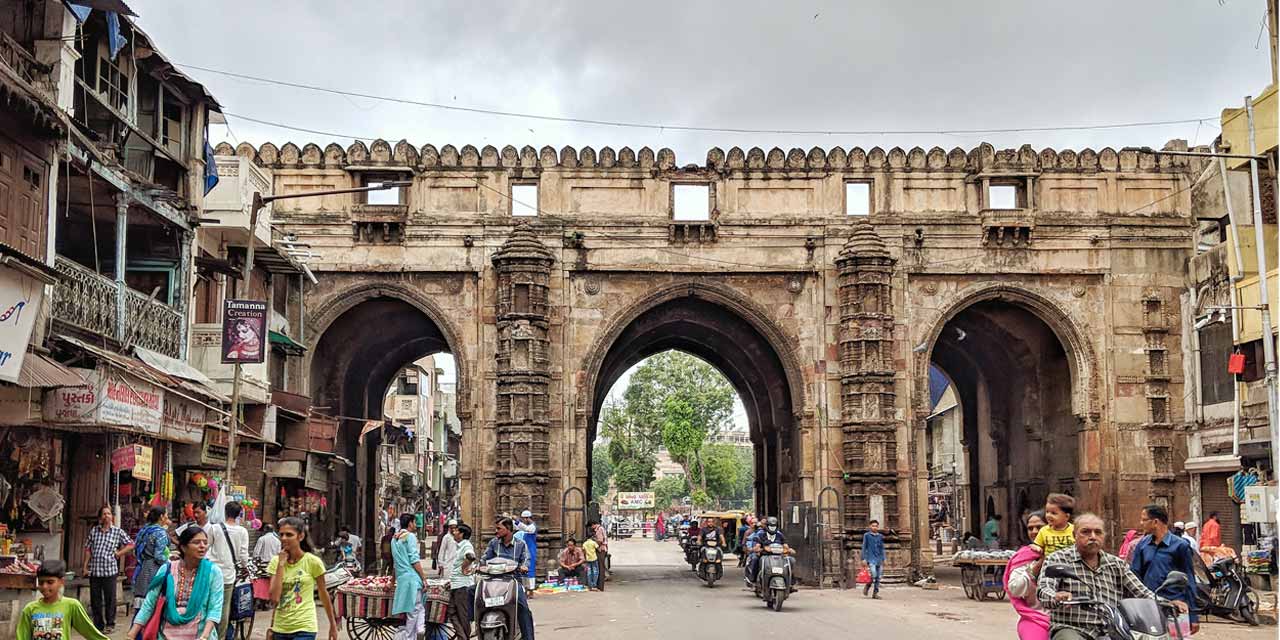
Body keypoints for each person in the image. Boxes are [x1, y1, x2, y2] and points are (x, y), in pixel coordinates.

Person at [1037, 513, 1184, 640]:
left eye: (1098, 532)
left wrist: (1167, 604)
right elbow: (1044, 589)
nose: (1092, 537)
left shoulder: (1115, 564)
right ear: (1074, 535)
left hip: (1113, 629)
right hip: (1072, 627)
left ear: (1104, 536)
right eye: (1086, 532)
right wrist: (1056, 596)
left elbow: (1141, 591)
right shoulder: (1058, 559)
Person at [124, 525, 224, 640]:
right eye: (196, 542)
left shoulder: (213, 572)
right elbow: (149, 604)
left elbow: (215, 609)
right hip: (166, 635)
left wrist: (205, 636)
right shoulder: (167, 569)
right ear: (183, 547)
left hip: (199, 635)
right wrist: (132, 633)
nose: (202, 546)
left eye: (205, 542)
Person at [1130, 504, 1199, 634]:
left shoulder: (1181, 546)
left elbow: (1189, 580)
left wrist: (1194, 615)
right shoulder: (1142, 545)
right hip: (1148, 607)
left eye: (1144, 519)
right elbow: (1134, 576)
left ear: (1155, 522)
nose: (1141, 523)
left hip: (1176, 607)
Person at [267, 517, 338, 640]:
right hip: (280, 628)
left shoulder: (313, 562)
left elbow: (323, 593)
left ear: (300, 536)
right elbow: (274, 598)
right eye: (281, 534)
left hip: (305, 627)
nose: (284, 538)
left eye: (289, 535)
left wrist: (333, 624)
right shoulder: (276, 562)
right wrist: (281, 564)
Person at [18, 559, 109, 640]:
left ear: (61, 582)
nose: (45, 586)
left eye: (50, 582)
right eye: (41, 582)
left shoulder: (72, 605)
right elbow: (22, 636)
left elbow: (90, 632)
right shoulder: (29, 609)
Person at [481, 517, 535, 640]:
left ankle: (528, 637)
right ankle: (473, 623)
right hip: (493, 581)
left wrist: (524, 567)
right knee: (474, 594)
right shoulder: (493, 543)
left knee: (524, 609)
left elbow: (526, 559)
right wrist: (479, 566)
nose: (496, 531)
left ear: (509, 529)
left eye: (499, 528)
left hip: (513, 582)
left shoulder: (521, 544)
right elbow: (485, 558)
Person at [83, 505, 133, 633]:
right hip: (95, 570)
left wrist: (119, 553)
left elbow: (131, 544)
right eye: (104, 514)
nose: (107, 516)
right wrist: (85, 566)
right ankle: (98, 625)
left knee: (110, 599)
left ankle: (110, 624)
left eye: (109, 514)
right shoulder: (94, 531)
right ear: (100, 517)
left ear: (112, 516)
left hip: (110, 571)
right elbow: (88, 549)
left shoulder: (117, 531)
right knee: (95, 600)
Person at [1004, 511, 1050, 640]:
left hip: (1068, 619)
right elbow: (1016, 589)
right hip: (1035, 618)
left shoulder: (1067, 553)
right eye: (1030, 528)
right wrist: (1037, 565)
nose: (1034, 531)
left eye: (1039, 527)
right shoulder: (1023, 557)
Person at [207, 502, 250, 640]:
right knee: (224, 607)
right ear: (239, 515)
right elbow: (244, 555)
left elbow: (206, 547)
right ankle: (220, 637)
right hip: (228, 575)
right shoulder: (242, 531)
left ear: (225, 512)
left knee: (207, 604)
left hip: (211, 572)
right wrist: (245, 568)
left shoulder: (214, 528)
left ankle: (206, 634)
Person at [391, 513, 429, 640]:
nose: (416, 525)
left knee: (414, 610)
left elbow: (395, 563)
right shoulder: (410, 537)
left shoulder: (394, 539)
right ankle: (413, 634)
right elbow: (414, 559)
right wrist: (424, 578)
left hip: (402, 580)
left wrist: (392, 582)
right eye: (414, 522)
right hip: (412, 579)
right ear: (410, 523)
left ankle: (418, 630)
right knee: (415, 610)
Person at [131, 507, 171, 613]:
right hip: (155, 570)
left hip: (142, 568)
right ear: (161, 517)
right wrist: (169, 560)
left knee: (142, 605)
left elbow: (135, 551)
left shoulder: (144, 530)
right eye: (166, 514)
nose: (167, 517)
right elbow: (158, 556)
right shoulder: (160, 533)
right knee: (153, 603)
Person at [447, 523, 476, 640]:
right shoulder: (460, 546)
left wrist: (464, 568)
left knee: (462, 615)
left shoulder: (466, 545)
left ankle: (464, 637)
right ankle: (462, 636)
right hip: (456, 584)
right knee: (451, 611)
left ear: (462, 534)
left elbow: (471, 556)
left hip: (463, 586)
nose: (454, 533)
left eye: (456, 531)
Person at [1033, 493, 1076, 558]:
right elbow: (1038, 546)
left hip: (1069, 563)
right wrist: (1037, 548)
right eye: (1047, 512)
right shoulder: (1044, 531)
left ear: (1066, 516)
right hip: (1050, 563)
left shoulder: (1074, 530)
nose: (1048, 515)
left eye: (1053, 513)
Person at [861, 520, 885, 599]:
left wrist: (883, 558)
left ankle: (875, 593)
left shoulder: (880, 536)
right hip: (871, 558)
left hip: (879, 558)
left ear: (878, 527)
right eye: (873, 526)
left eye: (876, 526)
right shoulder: (867, 535)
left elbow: (882, 548)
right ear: (870, 526)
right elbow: (864, 547)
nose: (874, 527)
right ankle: (867, 586)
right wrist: (863, 558)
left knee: (878, 577)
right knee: (874, 574)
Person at [515, 510, 538, 590]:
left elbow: (527, 529)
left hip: (531, 550)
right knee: (523, 568)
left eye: (524, 519)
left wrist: (517, 522)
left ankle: (531, 588)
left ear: (528, 518)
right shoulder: (526, 527)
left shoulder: (532, 526)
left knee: (530, 569)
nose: (524, 520)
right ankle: (525, 588)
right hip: (525, 549)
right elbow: (518, 527)